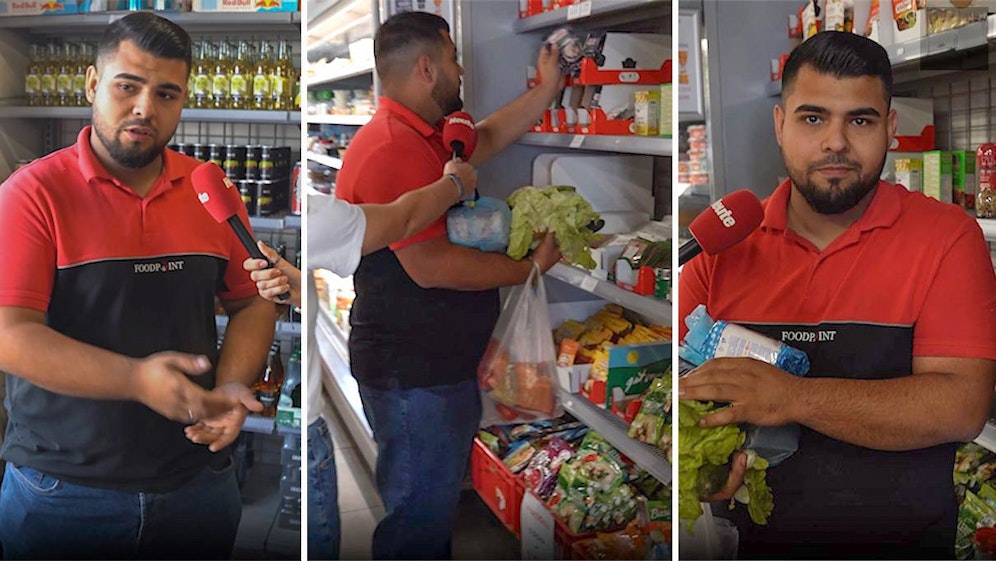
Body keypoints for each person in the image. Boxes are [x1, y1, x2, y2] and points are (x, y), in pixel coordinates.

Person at [678, 31, 996, 559]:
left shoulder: (947, 237)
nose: (836, 143)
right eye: (812, 118)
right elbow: (679, 385)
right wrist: (697, 463)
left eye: (861, 120)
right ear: (780, 126)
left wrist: (794, 397)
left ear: (891, 129)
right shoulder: (722, 243)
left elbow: (961, 407)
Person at [0, 13, 276, 560]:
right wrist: (137, 380)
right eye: (128, 86)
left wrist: (230, 390)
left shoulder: (210, 189)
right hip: (63, 492)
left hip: (198, 483)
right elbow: (10, 335)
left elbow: (252, 302)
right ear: (92, 85)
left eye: (167, 93)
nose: (146, 108)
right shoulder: (32, 193)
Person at [329, 11, 563, 559]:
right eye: (455, 59)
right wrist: (527, 267)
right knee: (417, 521)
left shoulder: (425, 136)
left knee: (426, 512)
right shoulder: (392, 147)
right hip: (414, 377)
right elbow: (431, 264)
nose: (462, 70)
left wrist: (548, 88)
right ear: (428, 68)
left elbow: (493, 135)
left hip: (432, 370)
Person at [243, 156, 479, 560]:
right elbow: (402, 220)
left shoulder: (317, 214)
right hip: (321, 420)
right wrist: (456, 184)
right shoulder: (319, 213)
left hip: (315, 422)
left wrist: (292, 291)